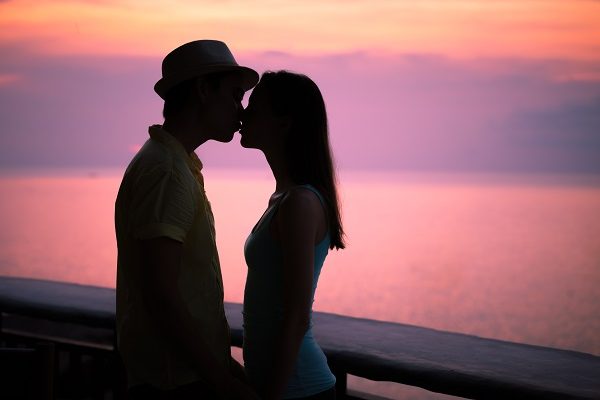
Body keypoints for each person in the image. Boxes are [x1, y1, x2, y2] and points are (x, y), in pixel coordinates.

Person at [114, 40, 260, 400]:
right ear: (202, 89)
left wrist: (223, 366)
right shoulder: (168, 172)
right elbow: (161, 295)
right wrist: (222, 383)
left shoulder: (172, 164)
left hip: (180, 375)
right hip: (174, 382)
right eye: (235, 94)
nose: (240, 111)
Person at [240, 71, 345, 400]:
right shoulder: (284, 197)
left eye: (254, 107)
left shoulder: (300, 202)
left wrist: (270, 395)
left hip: (298, 389)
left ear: (284, 123)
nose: (243, 113)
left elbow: (297, 317)